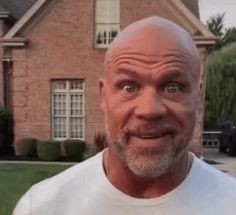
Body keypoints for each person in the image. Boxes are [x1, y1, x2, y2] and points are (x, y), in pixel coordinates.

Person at [13, 16, 236, 215]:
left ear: (198, 97)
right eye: (129, 87)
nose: (149, 110)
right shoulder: (43, 207)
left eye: (173, 88)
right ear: (103, 96)